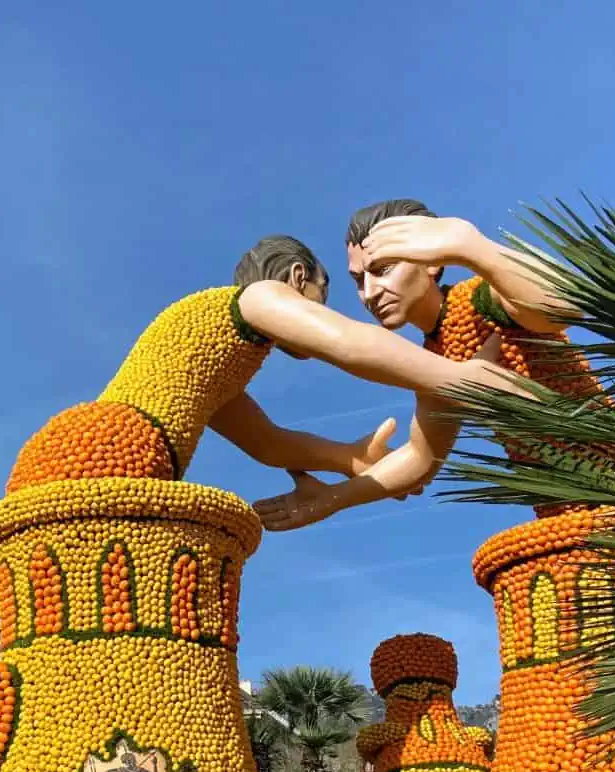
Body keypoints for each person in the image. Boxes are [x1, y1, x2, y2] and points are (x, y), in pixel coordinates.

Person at [10, 233, 532, 530]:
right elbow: (349, 344)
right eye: (326, 293)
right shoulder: (258, 299)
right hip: (113, 450)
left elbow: (269, 443)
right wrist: (461, 379)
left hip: (73, 453)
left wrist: (352, 459)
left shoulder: (210, 358)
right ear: (298, 279)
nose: (329, 308)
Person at [251, 203, 595, 532]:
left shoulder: (480, 299)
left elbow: (561, 307)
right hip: (565, 511)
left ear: (431, 262)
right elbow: (420, 457)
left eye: (382, 270)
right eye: (358, 281)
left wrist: (472, 246)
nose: (369, 293)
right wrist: (332, 498)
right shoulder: (435, 354)